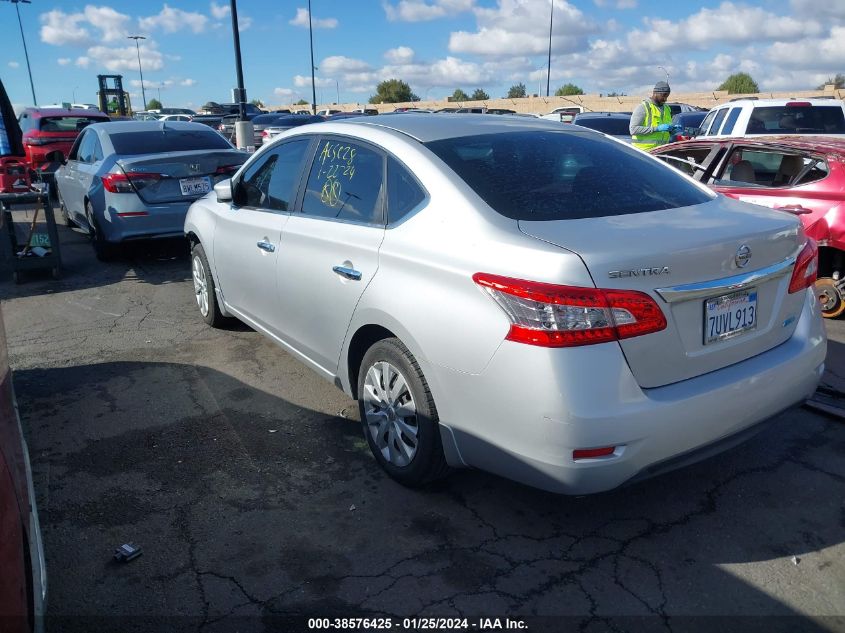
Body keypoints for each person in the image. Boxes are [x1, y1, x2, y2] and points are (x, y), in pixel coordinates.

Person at [630, 80, 677, 150]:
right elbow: (633, 130)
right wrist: (657, 129)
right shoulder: (643, 107)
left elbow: (665, 131)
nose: (665, 99)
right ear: (655, 93)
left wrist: (672, 129)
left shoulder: (667, 109)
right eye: (663, 95)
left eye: (667, 96)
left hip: (661, 152)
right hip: (644, 152)